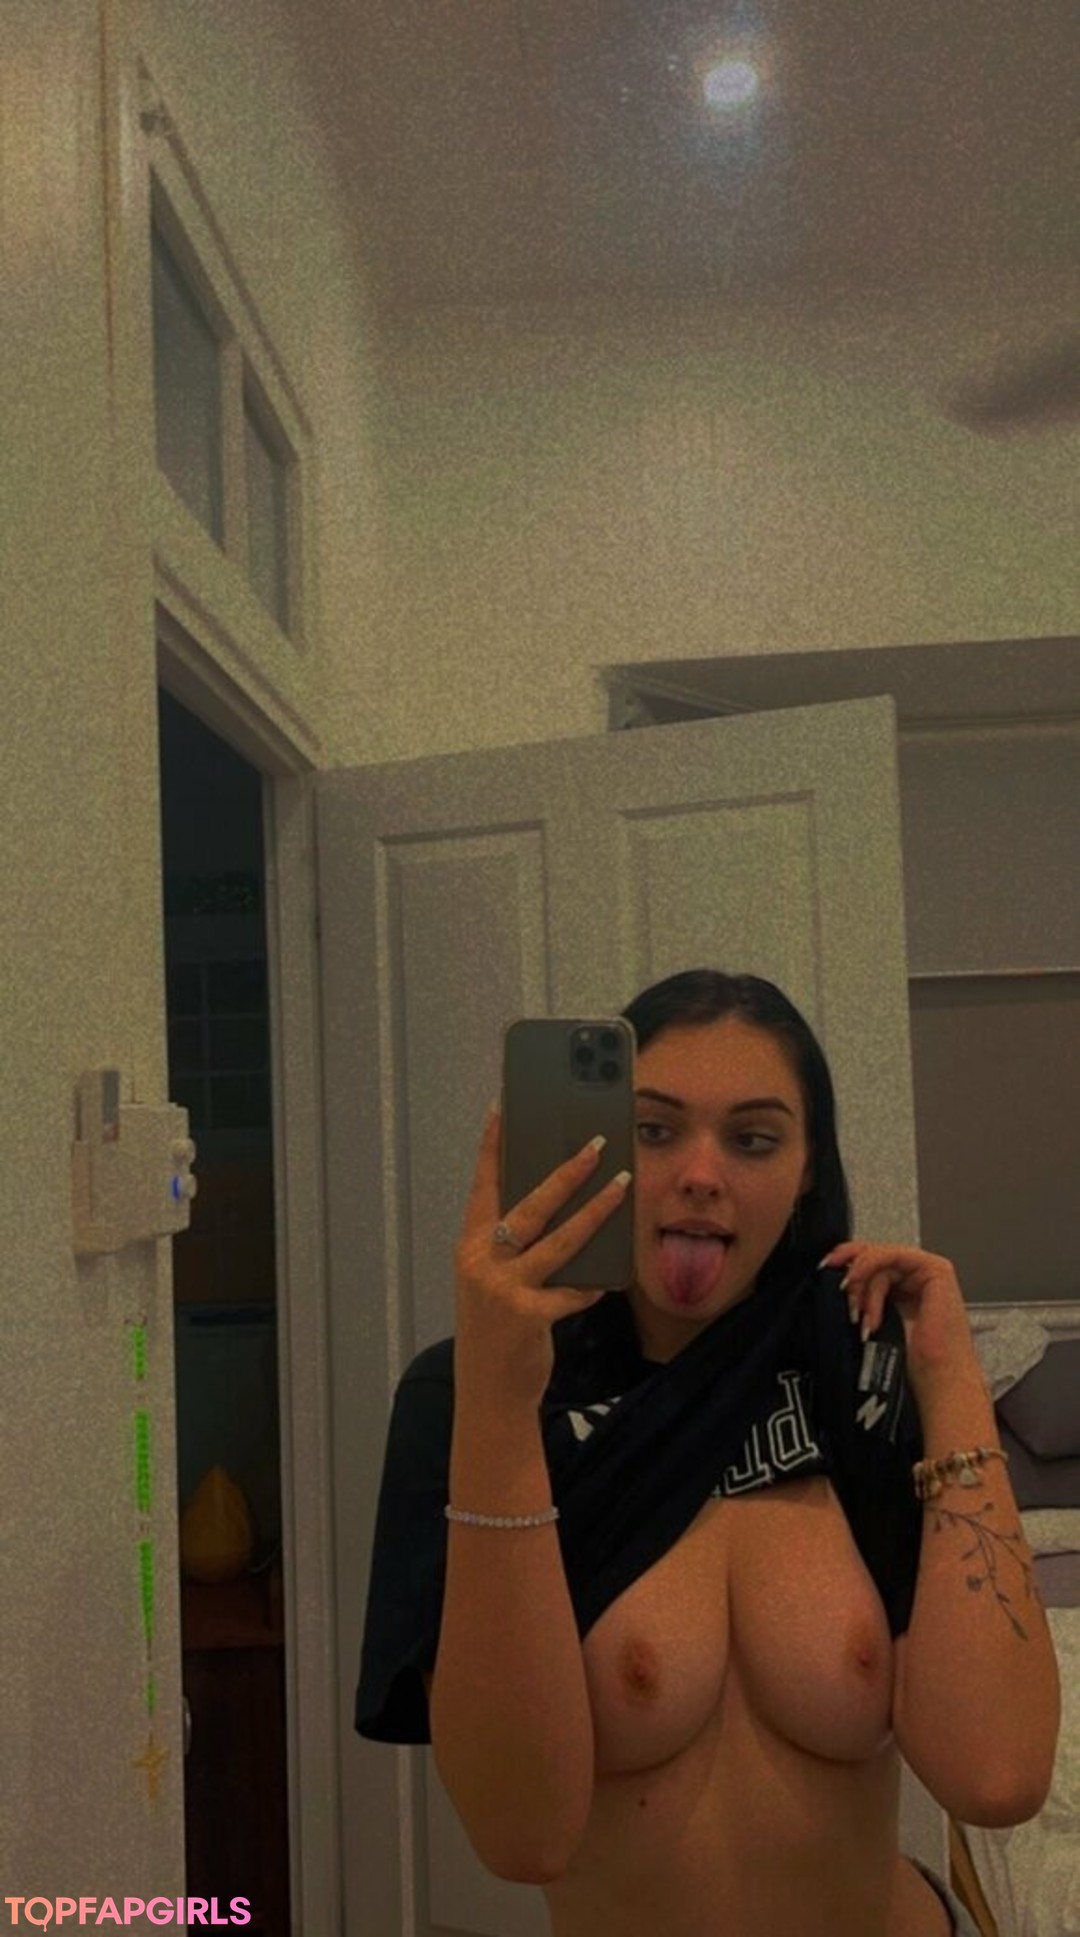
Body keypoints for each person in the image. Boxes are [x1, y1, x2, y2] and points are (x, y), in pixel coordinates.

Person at [355, 970, 1060, 1936]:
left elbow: (998, 1773)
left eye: (753, 1139)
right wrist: (498, 1399)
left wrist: (953, 1383)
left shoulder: (863, 1374)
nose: (699, 1172)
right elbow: (523, 1835)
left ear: (807, 1169)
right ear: (600, 1148)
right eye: (653, 1131)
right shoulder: (466, 1398)